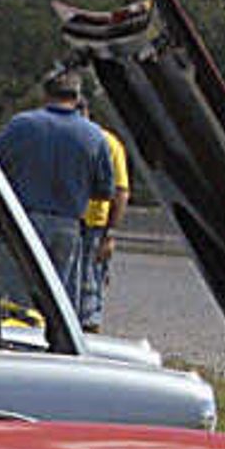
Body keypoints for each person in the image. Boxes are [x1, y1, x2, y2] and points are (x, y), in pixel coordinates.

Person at [0, 65, 115, 327]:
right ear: (77, 97)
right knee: (58, 304)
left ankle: (8, 347)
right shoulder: (93, 135)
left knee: (13, 301)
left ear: (45, 94)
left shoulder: (22, 125)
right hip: (67, 226)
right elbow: (105, 190)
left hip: (22, 223)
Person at [78, 125, 131, 332]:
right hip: (81, 221)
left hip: (93, 224)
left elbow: (121, 192)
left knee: (89, 282)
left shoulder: (108, 142)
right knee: (87, 282)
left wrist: (110, 234)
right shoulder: (108, 141)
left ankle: (88, 327)